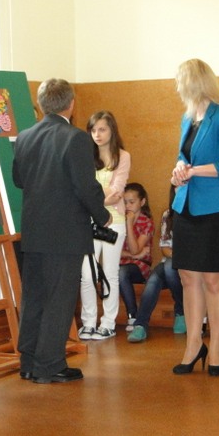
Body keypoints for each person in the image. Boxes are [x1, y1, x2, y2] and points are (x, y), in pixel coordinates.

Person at [13, 78, 110, 384]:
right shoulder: (76, 138)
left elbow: (18, 179)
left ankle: (28, 362)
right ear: (71, 104)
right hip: (65, 233)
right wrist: (103, 216)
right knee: (59, 299)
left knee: (34, 297)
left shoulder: (25, 136)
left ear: (42, 104)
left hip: (33, 231)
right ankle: (50, 364)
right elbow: (85, 186)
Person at [170, 59, 219, 377]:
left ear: (194, 82)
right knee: (188, 278)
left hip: (216, 208)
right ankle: (193, 344)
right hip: (186, 206)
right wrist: (179, 168)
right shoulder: (188, 118)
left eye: (180, 81)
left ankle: (215, 347)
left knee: (213, 280)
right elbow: (183, 155)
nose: (177, 87)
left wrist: (193, 171)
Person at [78, 111, 130, 341]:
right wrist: (101, 198)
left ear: (112, 130)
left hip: (113, 222)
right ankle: (89, 322)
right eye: (93, 130)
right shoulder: (85, 156)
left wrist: (93, 197)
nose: (97, 134)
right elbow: (82, 189)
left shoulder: (123, 156)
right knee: (87, 275)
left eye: (102, 129)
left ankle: (108, 323)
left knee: (110, 273)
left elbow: (117, 191)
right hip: (88, 222)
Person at [127, 185, 185, 342]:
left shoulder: (198, 214)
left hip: (189, 267)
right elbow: (164, 248)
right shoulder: (168, 214)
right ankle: (140, 325)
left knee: (169, 267)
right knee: (154, 279)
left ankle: (181, 311)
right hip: (171, 261)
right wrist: (177, 258)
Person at [118, 183, 155, 333]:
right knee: (118, 271)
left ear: (142, 202)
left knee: (121, 273)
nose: (128, 206)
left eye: (131, 202)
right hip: (121, 263)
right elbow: (115, 251)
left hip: (140, 267)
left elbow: (135, 248)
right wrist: (134, 255)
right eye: (125, 202)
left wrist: (128, 223)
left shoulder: (146, 222)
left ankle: (133, 315)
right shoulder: (117, 221)